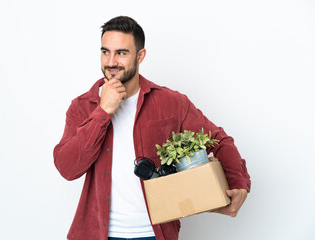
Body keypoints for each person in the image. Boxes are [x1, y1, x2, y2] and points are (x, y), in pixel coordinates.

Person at [53, 16, 251, 240]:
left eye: (121, 53)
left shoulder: (171, 103)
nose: (111, 61)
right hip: (97, 234)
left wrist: (238, 183)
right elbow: (67, 168)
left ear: (140, 56)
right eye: (105, 51)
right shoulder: (83, 106)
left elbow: (219, 140)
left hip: (154, 234)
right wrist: (103, 112)